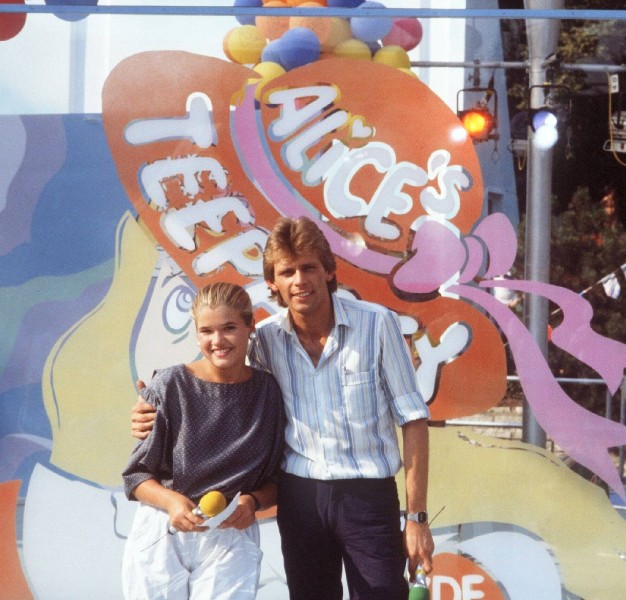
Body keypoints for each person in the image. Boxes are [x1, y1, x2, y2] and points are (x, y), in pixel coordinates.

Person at [132, 216, 434, 600]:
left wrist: (417, 518)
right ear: (272, 282)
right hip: (299, 500)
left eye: (308, 267)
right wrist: (151, 405)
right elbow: (216, 374)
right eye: (286, 271)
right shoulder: (265, 340)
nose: (299, 280)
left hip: (368, 498)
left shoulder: (379, 326)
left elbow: (413, 420)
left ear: (329, 270)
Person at [121, 282, 285, 599]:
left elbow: (277, 480)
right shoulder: (169, 384)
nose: (217, 341)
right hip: (162, 531)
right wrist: (171, 502)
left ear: (250, 326)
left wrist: (252, 502)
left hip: (231, 538)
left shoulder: (268, 392)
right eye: (206, 331)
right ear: (196, 333)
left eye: (229, 328)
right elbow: (136, 476)